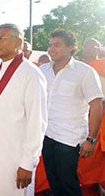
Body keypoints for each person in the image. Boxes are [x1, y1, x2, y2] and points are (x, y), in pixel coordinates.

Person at [0, 23, 48, 196]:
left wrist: (28, 163)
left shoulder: (31, 73)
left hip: (12, 157)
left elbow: (37, 122)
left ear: (18, 42)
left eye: (2, 38)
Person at [40, 30, 104, 196]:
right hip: (46, 135)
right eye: (50, 45)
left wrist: (91, 139)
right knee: (54, 182)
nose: (51, 49)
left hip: (69, 139)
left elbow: (96, 105)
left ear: (71, 47)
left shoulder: (84, 71)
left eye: (57, 45)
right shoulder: (42, 70)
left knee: (68, 183)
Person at [79, 38, 105, 195]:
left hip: (101, 111)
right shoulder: (78, 67)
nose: (88, 49)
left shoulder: (102, 64)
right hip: (86, 114)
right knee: (88, 154)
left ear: (98, 49)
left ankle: (97, 183)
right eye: (85, 46)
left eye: (92, 46)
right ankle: (91, 183)